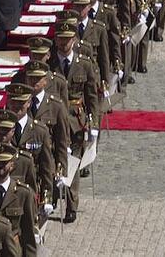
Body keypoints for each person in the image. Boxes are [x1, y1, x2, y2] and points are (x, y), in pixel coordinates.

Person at [48, 21, 99, 223]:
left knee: (73, 164)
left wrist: (93, 123)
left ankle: (71, 205)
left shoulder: (84, 64)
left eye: (67, 39)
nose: (63, 43)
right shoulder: (49, 64)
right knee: (54, 160)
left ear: (75, 39)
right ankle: (52, 195)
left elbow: (91, 96)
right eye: (60, 38)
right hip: (54, 119)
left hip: (76, 120)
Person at [4, 83, 56, 217]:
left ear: (28, 103)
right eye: (13, 102)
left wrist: (47, 195)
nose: (16, 106)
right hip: (5, 188)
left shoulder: (40, 131)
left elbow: (46, 165)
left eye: (21, 103)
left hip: (31, 187)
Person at [0, 143, 37, 257]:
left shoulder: (23, 193)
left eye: (4, 163)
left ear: (12, 165)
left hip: (13, 250)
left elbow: (28, 233)